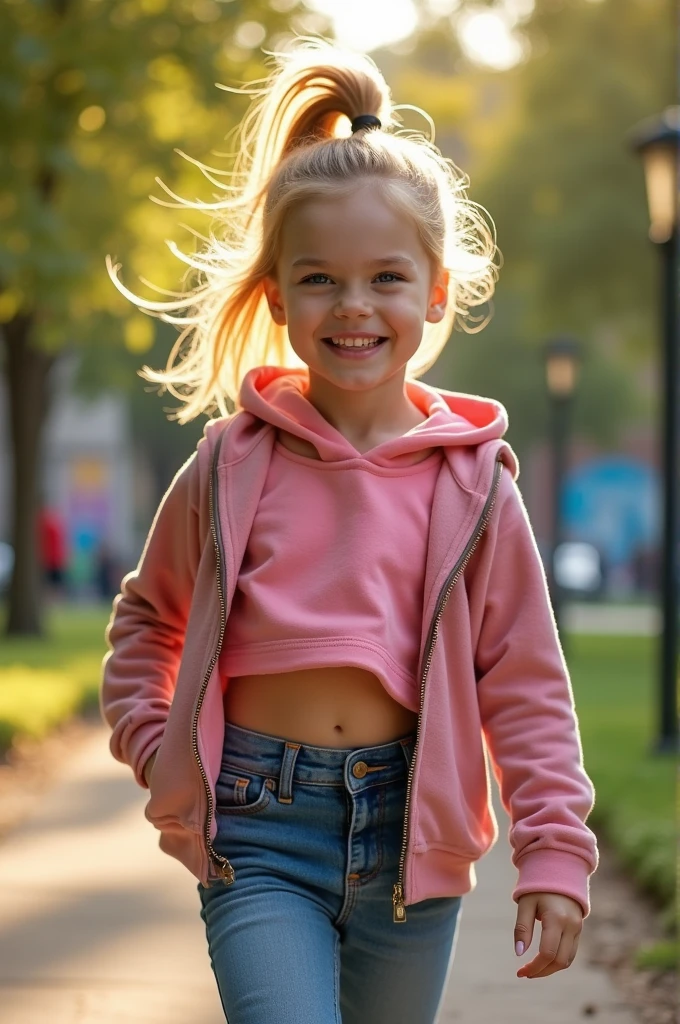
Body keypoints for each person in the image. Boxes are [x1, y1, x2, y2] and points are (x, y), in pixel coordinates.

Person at [100, 40, 598, 1024]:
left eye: (385, 278)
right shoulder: (229, 466)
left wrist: (552, 850)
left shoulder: (473, 483)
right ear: (279, 296)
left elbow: (525, 680)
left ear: (435, 292)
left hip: (410, 837)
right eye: (320, 279)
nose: (353, 305)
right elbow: (145, 624)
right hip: (258, 830)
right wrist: (159, 748)